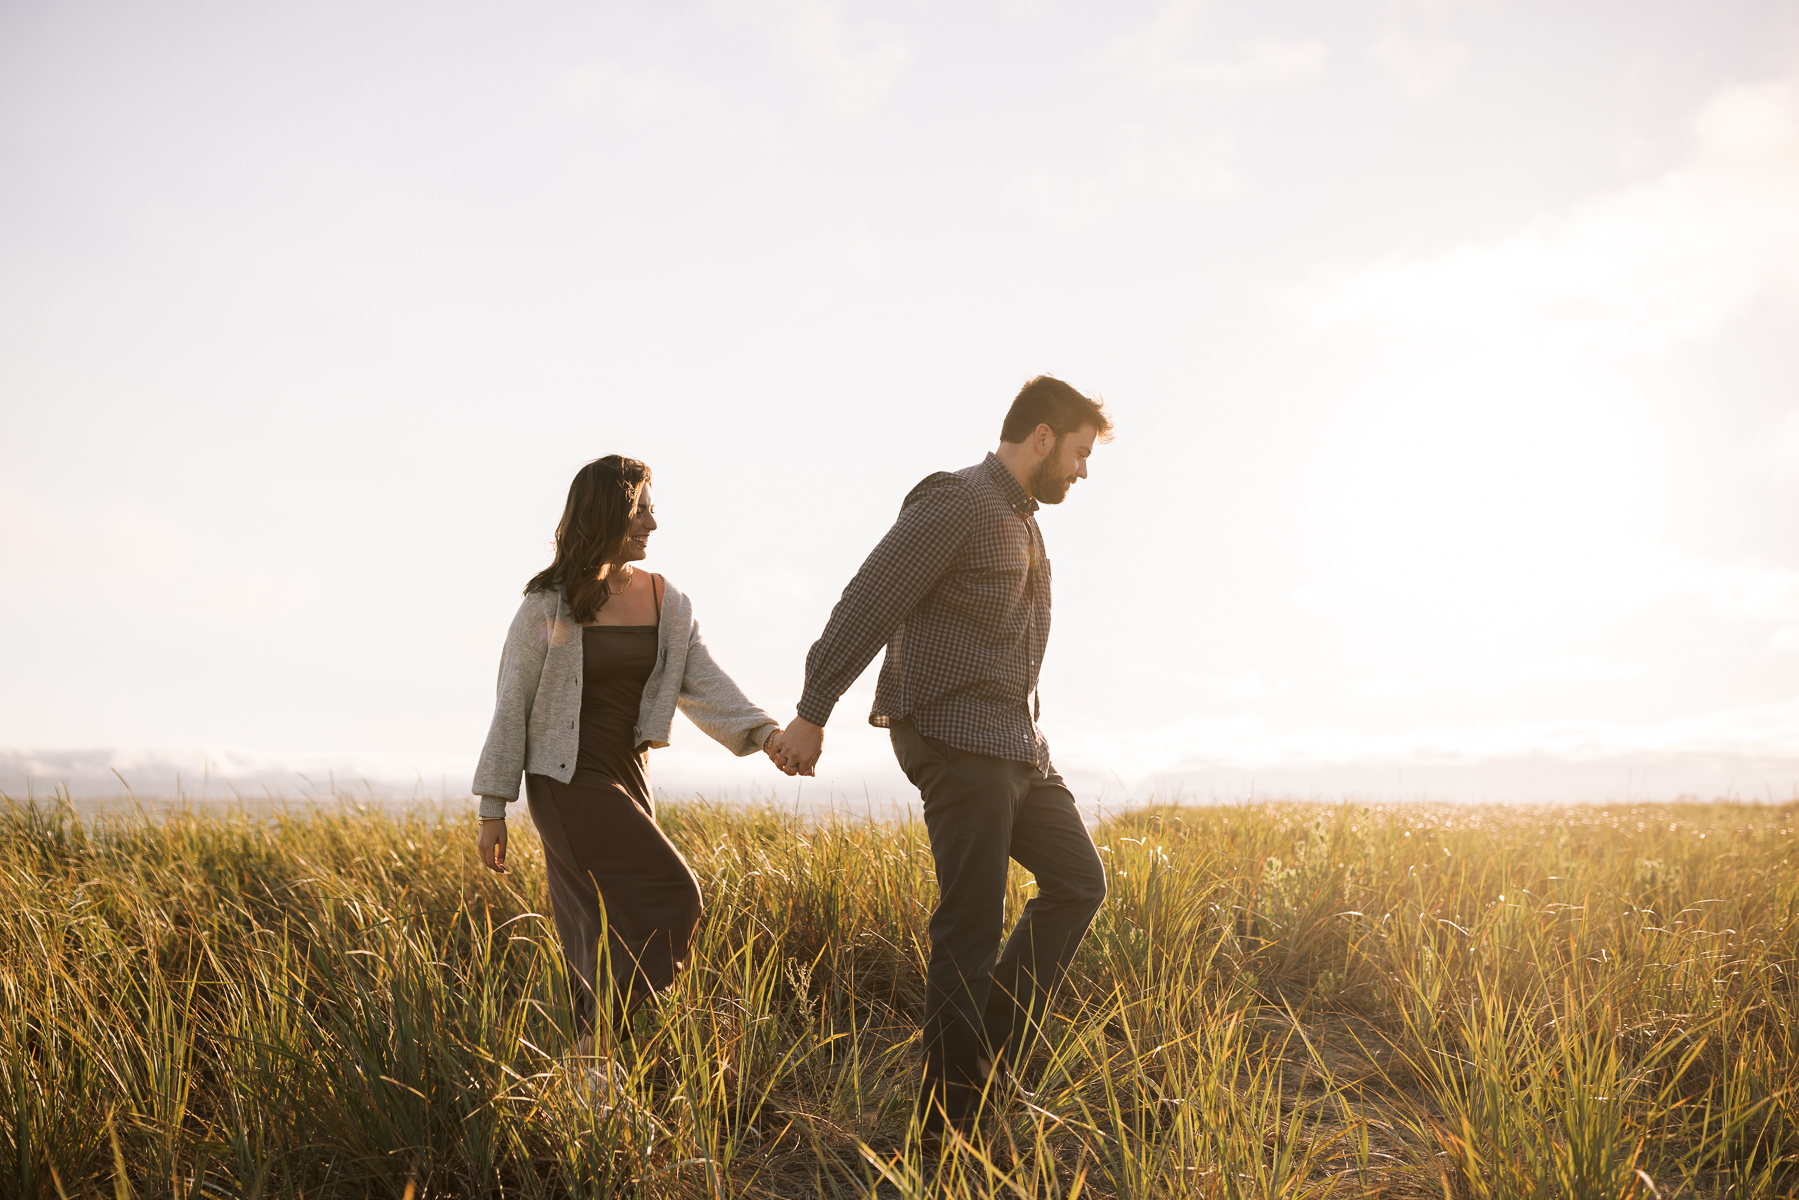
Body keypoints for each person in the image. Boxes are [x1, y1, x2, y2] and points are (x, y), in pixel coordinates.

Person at [766, 376, 1113, 1141]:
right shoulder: (956, 501)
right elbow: (869, 600)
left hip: (1017, 745)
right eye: (1079, 453)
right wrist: (812, 711)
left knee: (1079, 882)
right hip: (954, 736)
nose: (1083, 472)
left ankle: (978, 1058)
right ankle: (947, 1127)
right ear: (1044, 437)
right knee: (969, 927)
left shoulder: (1020, 520)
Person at [474, 455, 783, 1069]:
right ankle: (594, 1048)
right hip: (566, 780)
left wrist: (766, 735)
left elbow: (705, 682)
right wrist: (493, 807)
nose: (652, 523)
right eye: (640, 510)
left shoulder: (668, 602)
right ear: (606, 513)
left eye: (650, 510)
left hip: (628, 774)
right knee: (675, 897)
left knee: (603, 928)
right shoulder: (548, 605)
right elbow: (512, 703)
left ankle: (590, 1083)